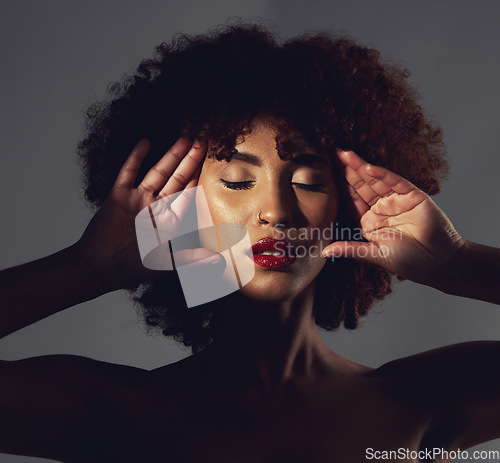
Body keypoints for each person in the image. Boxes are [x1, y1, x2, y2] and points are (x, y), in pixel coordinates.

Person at [1, 24, 499, 463]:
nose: (277, 212)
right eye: (238, 182)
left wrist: (457, 263)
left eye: (307, 181)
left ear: (346, 208)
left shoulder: (421, 404)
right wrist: (88, 268)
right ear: (180, 206)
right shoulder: (109, 413)